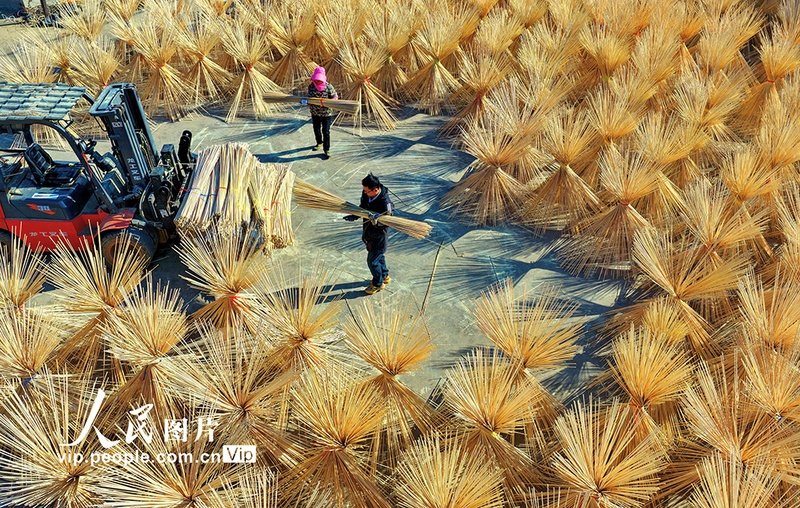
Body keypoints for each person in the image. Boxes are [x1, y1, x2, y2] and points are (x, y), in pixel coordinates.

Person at [344, 174, 394, 294]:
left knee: (372, 261)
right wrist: (354, 216)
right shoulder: (367, 193)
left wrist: (377, 222)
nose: (365, 193)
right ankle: (385, 275)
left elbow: (388, 221)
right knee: (379, 255)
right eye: (364, 190)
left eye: (367, 191)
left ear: (375, 190)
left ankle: (378, 284)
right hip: (369, 231)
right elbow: (363, 207)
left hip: (379, 235)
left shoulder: (385, 203)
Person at [307, 66, 338, 160]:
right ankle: (319, 142)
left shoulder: (328, 87)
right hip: (315, 112)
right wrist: (308, 102)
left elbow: (335, 96)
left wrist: (332, 101)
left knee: (326, 131)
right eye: (316, 79)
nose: (318, 81)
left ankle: (326, 149)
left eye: (319, 80)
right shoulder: (311, 86)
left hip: (326, 113)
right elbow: (309, 97)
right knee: (316, 129)